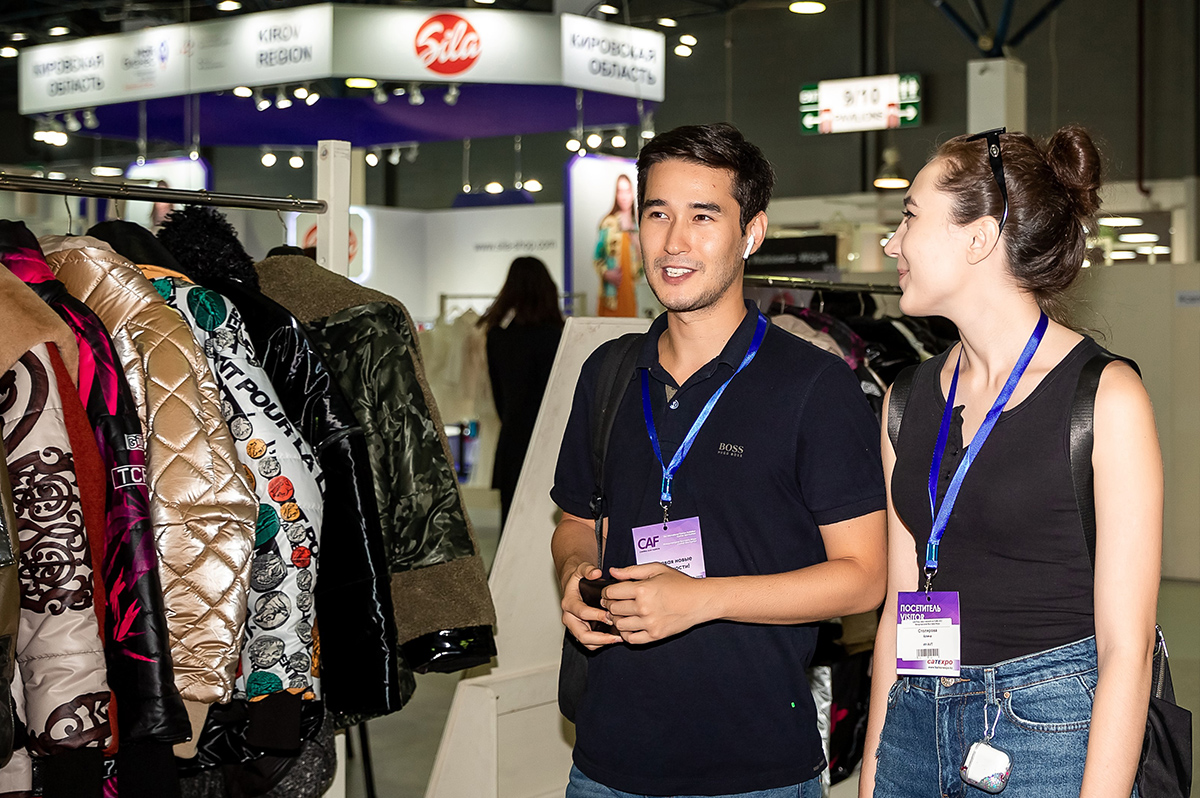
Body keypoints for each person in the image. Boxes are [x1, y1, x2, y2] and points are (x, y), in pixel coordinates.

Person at [551, 123, 888, 797]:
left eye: (703, 217)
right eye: (658, 215)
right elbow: (576, 521)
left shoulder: (813, 386)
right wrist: (574, 572)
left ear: (751, 232)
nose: (674, 242)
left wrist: (700, 600)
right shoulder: (608, 373)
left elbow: (864, 578)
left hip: (757, 767)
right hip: (606, 764)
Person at [860, 127, 1161, 798]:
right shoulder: (904, 400)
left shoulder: (1106, 398)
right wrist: (875, 775)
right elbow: (900, 609)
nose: (892, 243)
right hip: (913, 720)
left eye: (910, 217)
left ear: (978, 237)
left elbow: (1127, 649)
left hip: (1046, 728)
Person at [481, 256, 565, 527]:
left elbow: (499, 397)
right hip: (551, 442)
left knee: (511, 527)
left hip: (512, 441)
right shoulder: (555, 336)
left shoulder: (498, 335)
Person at [594, 174, 643, 317]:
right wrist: (606, 273)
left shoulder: (638, 226)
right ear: (616, 195)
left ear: (632, 193)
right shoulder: (608, 224)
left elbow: (643, 267)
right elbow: (597, 257)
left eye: (627, 191)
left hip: (633, 291)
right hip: (611, 294)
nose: (624, 196)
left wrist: (637, 244)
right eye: (620, 191)